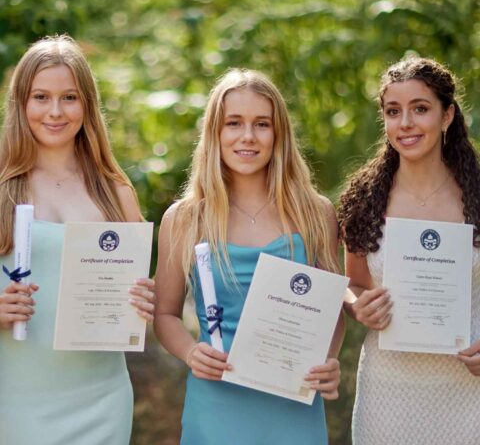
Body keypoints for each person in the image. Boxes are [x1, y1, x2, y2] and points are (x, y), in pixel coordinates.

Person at [154, 68, 344, 445]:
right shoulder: (185, 218)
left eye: (261, 124)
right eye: (234, 123)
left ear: (278, 135)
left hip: (294, 405)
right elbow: (164, 314)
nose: (248, 136)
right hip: (217, 404)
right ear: (215, 133)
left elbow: (333, 309)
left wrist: (328, 360)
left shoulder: (315, 213)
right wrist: (191, 352)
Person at [0, 35, 155, 445]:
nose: (55, 111)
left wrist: (142, 301)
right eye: (41, 97)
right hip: (15, 399)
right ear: (21, 103)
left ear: (87, 105)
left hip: (101, 397)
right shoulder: (1, 188)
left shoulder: (115, 192)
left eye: (69, 97)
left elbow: (135, 303)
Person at [338, 57, 480, 444]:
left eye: (420, 109)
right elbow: (354, 285)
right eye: (393, 111)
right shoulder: (365, 198)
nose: (406, 124)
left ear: (447, 115)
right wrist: (358, 306)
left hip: (469, 387)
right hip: (388, 386)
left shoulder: (477, 195)